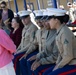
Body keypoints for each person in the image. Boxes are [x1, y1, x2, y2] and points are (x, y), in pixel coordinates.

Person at [43, 8, 76, 75]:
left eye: (49, 19)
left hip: (72, 63)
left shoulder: (64, 32)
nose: (48, 22)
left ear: (56, 20)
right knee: (45, 73)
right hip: (67, 62)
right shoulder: (60, 31)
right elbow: (61, 53)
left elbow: (68, 56)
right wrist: (57, 64)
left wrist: (58, 66)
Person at [26, 9, 58, 75]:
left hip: (57, 61)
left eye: (46, 20)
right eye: (42, 20)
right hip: (48, 57)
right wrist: (38, 56)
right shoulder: (48, 32)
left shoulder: (57, 33)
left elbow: (56, 56)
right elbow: (43, 49)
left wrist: (41, 61)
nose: (42, 23)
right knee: (30, 62)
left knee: (39, 69)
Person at [13, 10, 38, 75]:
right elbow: (22, 41)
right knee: (14, 56)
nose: (23, 20)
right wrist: (17, 50)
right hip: (23, 50)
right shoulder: (25, 28)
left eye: (25, 18)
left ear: (29, 17)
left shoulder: (33, 28)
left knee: (16, 59)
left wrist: (20, 51)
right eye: (22, 19)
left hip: (30, 50)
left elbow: (31, 43)